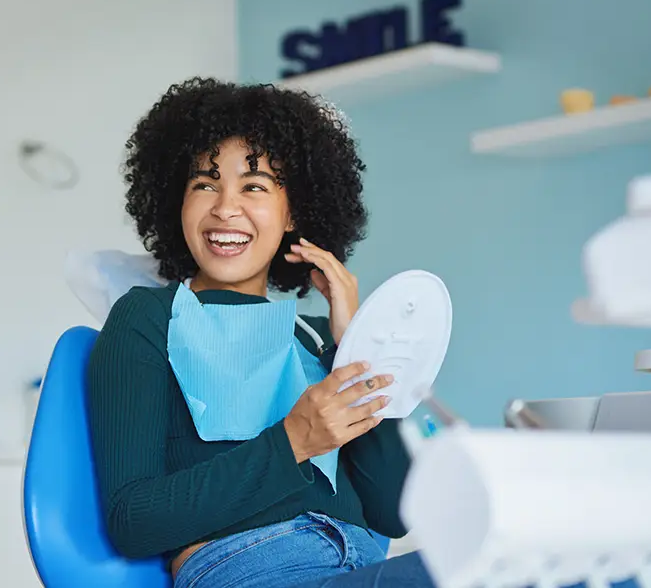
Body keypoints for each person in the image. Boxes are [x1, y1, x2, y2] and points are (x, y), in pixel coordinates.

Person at [86, 77, 436, 588]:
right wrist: (293, 440)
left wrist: (358, 344)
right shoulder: (146, 318)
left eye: (254, 186)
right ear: (175, 202)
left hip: (363, 566)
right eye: (204, 184)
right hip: (253, 567)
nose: (226, 207)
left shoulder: (318, 339)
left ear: (293, 210)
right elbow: (132, 520)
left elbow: (395, 511)